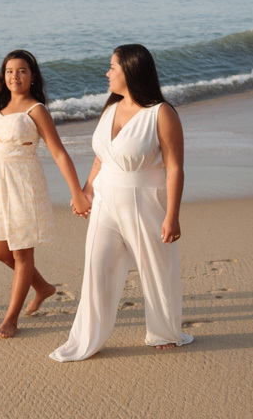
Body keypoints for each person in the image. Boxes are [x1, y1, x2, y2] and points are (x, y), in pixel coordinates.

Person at [49, 43, 193, 361]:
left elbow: (175, 168)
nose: (107, 73)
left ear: (130, 70)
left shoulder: (161, 113)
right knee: (97, 268)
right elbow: (102, 158)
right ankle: (88, 338)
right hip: (104, 200)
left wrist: (173, 215)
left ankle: (164, 332)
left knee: (156, 270)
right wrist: (86, 192)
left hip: (146, 202)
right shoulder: (110, 108)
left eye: (112, 67)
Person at [0, 49, 90, 339]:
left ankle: (11, 318)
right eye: (10, 70)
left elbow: (59, 153)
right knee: (1, 252)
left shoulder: (36, 110)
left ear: (32, 76)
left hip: (24, 185)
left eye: (22, 70)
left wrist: (77, 193)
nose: (16, 75)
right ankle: (43, 288)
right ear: (4, 76)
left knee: (22, 253)